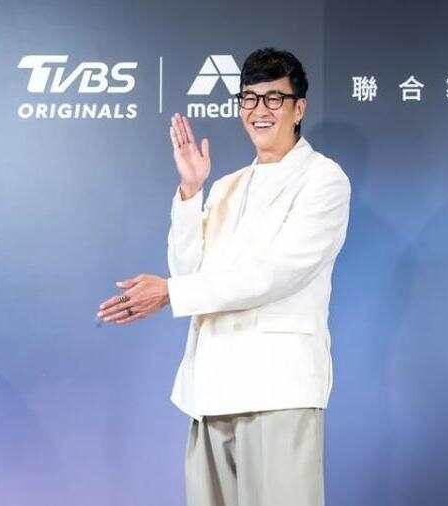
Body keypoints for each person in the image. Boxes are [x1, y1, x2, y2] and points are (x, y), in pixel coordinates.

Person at [97, 47, 351, 506]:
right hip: (210, 387)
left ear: (298, 108)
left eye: (274, 99)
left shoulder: (323, 179)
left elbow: (276, 274)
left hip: (278, 388)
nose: (259, 110)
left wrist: (171, 292)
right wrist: (191, 191)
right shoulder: (226, 185)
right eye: (249, 99)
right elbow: (188, 272)